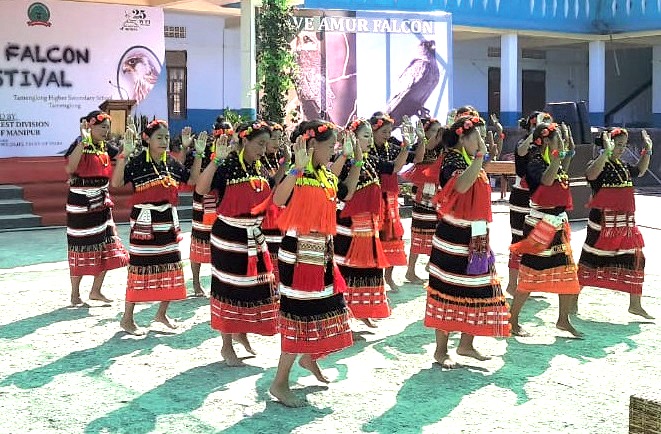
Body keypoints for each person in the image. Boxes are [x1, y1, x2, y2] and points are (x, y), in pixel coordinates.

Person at [268, 120, 357, 408]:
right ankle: (280, 382)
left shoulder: (325, 176)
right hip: (298, 257)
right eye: (329, 147)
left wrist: (353, 158)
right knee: (299, 314)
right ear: (311, 146)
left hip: (323, 255)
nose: (332, 151)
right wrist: (296, 166)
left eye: (334, 148)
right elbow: (278, 200)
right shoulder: (301, 174)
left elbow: (346, 193)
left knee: (323, 309)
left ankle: (310, 357)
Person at [424, 115, 510, 368]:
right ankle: (441, 350)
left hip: (478, 234)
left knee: (479, 288)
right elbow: (461, 186)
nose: (482, 142)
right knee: (448, 290)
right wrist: (479, 159)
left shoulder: (473, 160)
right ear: (463, 137)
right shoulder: (450, 160)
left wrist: (480, 157)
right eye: (478, 136)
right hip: (453, 237)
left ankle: (466, 344)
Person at [195, 120, 278, 366]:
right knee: (228, 287)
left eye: (266, 144)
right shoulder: (228, 165)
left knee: (254, 286)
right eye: (259, 143)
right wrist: (215, 160)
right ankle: (226, 344)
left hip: (254, 235)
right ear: (244, 141)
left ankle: (242, 330)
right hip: (229, 236)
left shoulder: (260, 168)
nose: (263, 149)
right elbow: (200, 188)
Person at [110, 119, 204, 335]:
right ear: (147, 139)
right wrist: (124, 154)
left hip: (167, 223)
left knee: (170, 266)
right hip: (144, 223)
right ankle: (127, 318)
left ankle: (161, 313)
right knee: (140, 268)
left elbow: (192, 181)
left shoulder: (170, 163)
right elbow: (116, 183)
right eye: (159, 137)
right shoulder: (137, 162)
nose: (164, 141)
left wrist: (197, 154)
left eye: (166, 137)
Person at [509, 122, 581, 337]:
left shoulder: (553, 162)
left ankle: (562, 319)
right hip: (540, 226)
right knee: (532, 273)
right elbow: (547, 181)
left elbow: (561, 172)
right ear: (546, 140)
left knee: (568, 270)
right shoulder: (535, 162)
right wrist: (559, 155)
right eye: (556, 137)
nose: (560, 141)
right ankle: (513, 319)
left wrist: (567, 148)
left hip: (558, 224)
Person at [577, 128, 653, 319]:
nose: (621, 148)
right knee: (589, 261)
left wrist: (647, 150)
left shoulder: (624, 166)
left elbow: (641, 170)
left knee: (637, 260)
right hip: (602, 224)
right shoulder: (598, 164)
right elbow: (591, 175)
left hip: (625, 226)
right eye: (617, 144)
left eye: (623, 145)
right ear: (606, 144)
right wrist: (606, 153)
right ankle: (571, 302)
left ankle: (635, 305)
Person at [334, 119, 403, 327]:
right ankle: (344, 317)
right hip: (349, 227)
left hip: (370, 227)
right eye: (365, 136)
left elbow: (395, 168)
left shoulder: (371, 159)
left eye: (369, 136)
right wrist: (351, 158)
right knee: (348, 269)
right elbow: (343, 192)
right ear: (352, 138)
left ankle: (363, 311)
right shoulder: (344, 161)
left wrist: (408, 145)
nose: (369, 140)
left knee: (370, 270)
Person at [64, 111, 128, 306]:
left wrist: (130, 140)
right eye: (102, 127)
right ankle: (75, 294)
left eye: (108, 127)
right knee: (80, 247)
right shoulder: (79, 144)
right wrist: (83, 142)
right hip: (81, 205)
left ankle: (96, 291)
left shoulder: (106, 147)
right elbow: (70, 168)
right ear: (89, 126)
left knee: (106, 246)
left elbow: (125, 154)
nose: (105, 131)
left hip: (102, 202)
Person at [367, 112, 421, 289]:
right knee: (373, 238)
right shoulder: (367, 150)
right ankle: (374, 278)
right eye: (384, 131)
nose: (387, 135)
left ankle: (388, 277)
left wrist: (420, 139)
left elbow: (418, 158)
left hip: (390, 198)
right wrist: (405, 146)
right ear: (373, 131)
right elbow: (393, 168)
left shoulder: (392, 146)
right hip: (372, 198)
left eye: (389, 131)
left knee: (393, 235)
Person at [504, 111, 553, 296]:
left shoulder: (547, 146)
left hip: (540, 198)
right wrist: (535, 133)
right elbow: (522, 152)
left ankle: (529, 282)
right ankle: (512, 283)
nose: (545, 129)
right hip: (522, 197)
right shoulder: (524, 142)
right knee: (519, 239)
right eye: (541, 124)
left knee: (537, 241)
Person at [184, 119, 235, 297]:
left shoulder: (234, 153)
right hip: (202, 201)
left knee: (221, 244)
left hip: (223, 202)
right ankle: (196, 284)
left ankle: (218, 282)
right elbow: (194, 178)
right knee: (199, 242)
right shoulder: (203, 151)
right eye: (221, 133)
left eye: (228, 134)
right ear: (215, 134)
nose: (224, 137)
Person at [402, 117, 445, 283]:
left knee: (437, 231)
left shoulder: (442, 148)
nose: (438, 134)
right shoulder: (423, 146)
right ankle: (410, 270)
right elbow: (421, 155)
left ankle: (431, 264)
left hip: (438, 193)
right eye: (434, 131)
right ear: (426, 132)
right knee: (419, 231)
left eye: (439, 131)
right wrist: (423, 139)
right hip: (422, 194)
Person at [260, 121, 291, 286]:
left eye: (280, 139)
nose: (277, 143)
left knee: (280, 251)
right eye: (273, 138)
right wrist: (286, 163)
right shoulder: (260, 162)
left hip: (280, 213)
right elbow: (271, 183)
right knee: (268, 251)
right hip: (265, 216)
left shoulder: (276, 160)